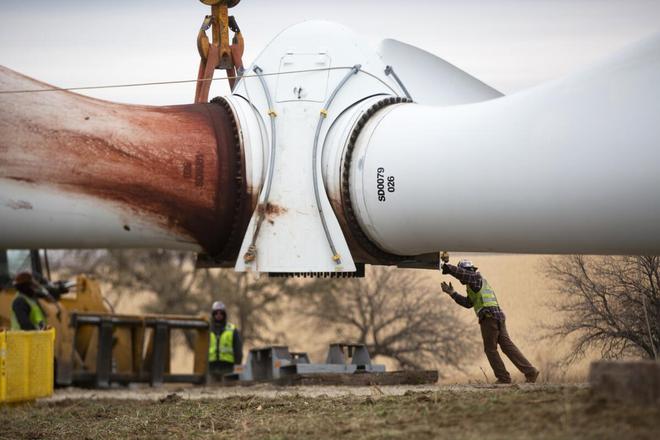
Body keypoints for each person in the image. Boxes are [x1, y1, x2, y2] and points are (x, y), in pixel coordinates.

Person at [439, 253, 539, 384]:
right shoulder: (475, 285)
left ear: (468, 270)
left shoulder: (475, 277)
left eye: (464, 272)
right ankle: (530, 372)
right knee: (507, 347)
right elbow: (468, 303)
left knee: (490, 349)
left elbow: (462, 274)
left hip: (489, 318)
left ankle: (503, 378)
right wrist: (452, 293)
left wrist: (446, 267)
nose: (462, 277)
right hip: (498, 317)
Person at [208, 301, 243, 375]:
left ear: (224, 314)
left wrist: (237, 371)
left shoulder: (232, 329)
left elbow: (238, 351)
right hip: (211, 368)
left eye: (221, 313)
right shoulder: (207, 330)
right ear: (213, 314)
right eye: (216, 313)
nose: (219, 315)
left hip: (228, 368)